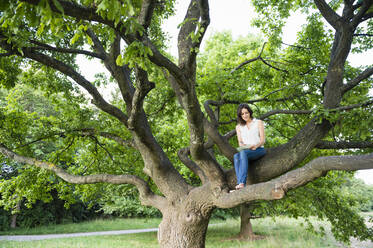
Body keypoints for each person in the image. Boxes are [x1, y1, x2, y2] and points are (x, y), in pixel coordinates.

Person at [234, 103, 266, 190]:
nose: (245, 115)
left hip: (259, 149)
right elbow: (240, 142)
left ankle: (242, 183)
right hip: (247, 150)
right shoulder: (239, 127)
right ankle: (239, 183)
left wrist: (256, 146)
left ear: (250, 112)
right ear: (240, 116)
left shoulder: (258, 122)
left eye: (246, 113)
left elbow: (263, 140)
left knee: (242, 153)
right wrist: (245, 146)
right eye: (242, 114)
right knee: (236, 156)